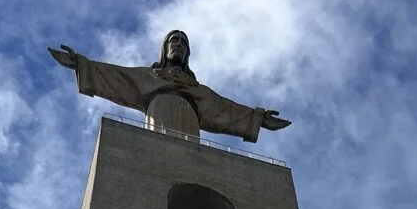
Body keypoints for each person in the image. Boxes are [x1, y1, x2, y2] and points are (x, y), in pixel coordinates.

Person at [48, 30, 291, 144]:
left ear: (187, 53)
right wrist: (81, 64)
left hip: (189, 134)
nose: (179, 45)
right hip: (158, 126)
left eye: (184, 43)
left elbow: (226, 110)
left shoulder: (198, 91)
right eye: (174, 41)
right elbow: (116, 76)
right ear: (165, 49)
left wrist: (258, 119)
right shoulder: (149, 77)